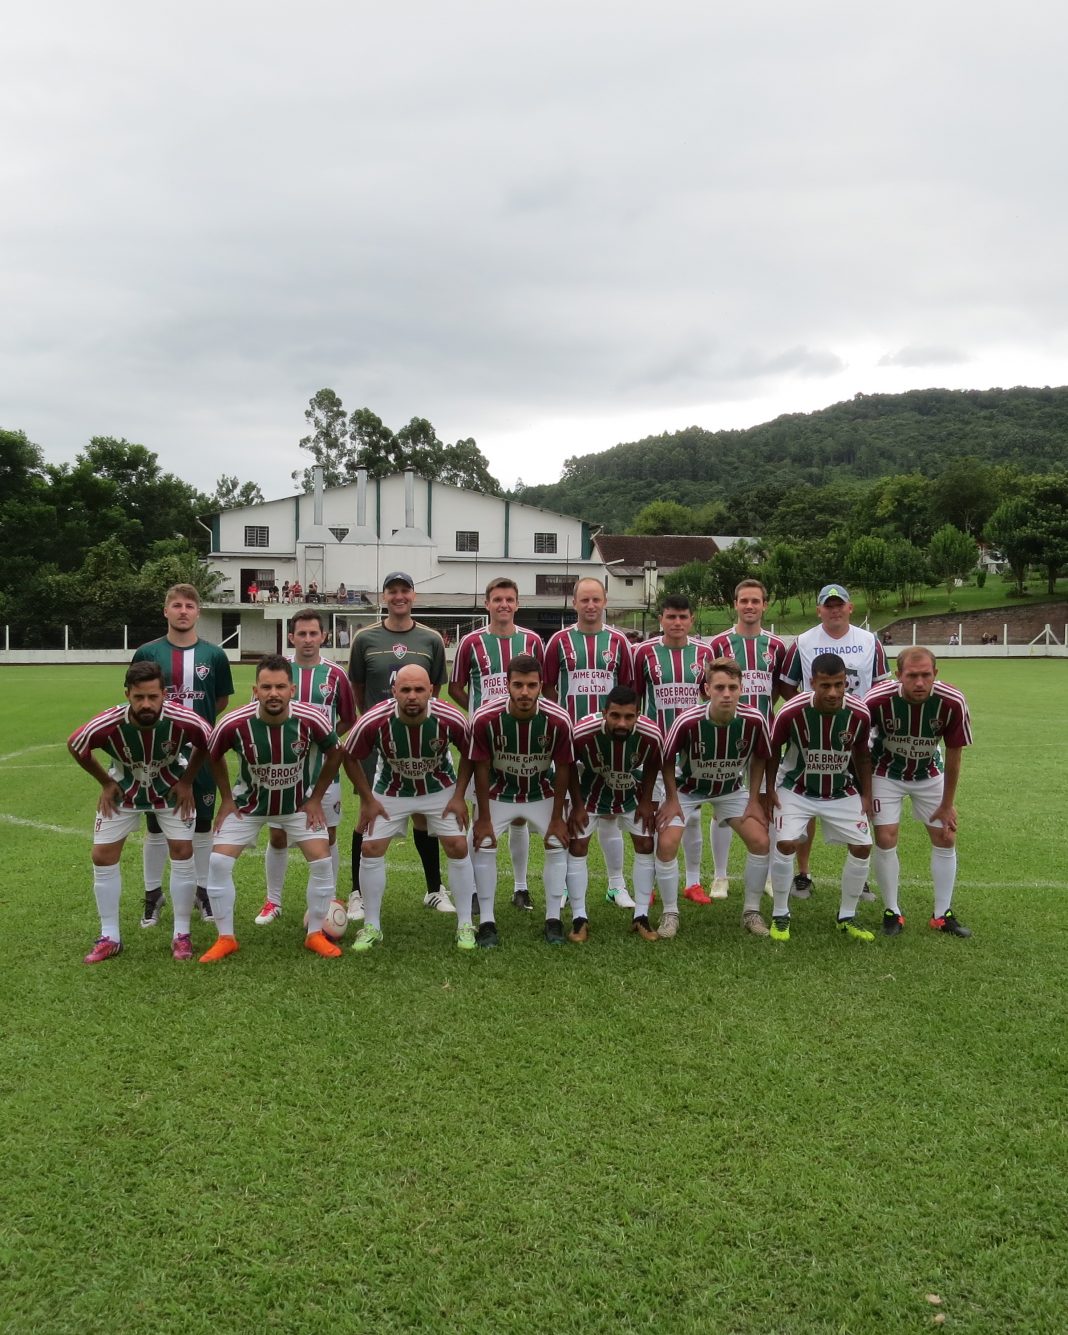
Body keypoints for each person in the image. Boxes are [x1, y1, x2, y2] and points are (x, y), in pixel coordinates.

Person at [200, 655, 344, 962]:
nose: (273, 693)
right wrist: (226, 798)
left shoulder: (312, 719)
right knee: (218, 862)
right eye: (266, 687)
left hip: (297, 805)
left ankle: (315, 934)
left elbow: (335, 752)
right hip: (248, 805)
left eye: (280, 687)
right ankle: (226, 938)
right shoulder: (234, 723)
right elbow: (213, 754)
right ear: (256, 690)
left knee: (322, 861)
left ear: (292, 689)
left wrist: (316, 798)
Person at [68, 662, 211, 963]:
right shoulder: (109, 722)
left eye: (152, 696)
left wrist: (187, 781)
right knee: (102, 855)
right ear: (127, 695)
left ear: (164, 695)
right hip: (123, 790)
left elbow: (208, 742)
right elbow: (76, 744)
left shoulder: (183, 719)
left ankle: (181, 934)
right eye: (138, 697)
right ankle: (110, 937)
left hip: (170, 790)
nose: (146, 704)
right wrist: (105, 782)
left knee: (183, 850)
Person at [333, 666, 476, 951]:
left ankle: (465, 923)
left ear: (431, 691)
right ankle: (372, 926)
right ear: (394, 691)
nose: (412, 696)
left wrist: (459, 795)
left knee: (458, 845)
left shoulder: (450, 717)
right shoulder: (375, 719)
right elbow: (349, 756)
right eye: (406, 690)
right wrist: (367, 799)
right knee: (370, 848)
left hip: (438, 787)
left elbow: (471, 753)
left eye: (419, 690)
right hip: (391, 788)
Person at [348, 572, 452, 920]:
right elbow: (358, 688)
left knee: (423, 813)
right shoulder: (365, 638)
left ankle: (435, 889)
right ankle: (357, 894)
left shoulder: (431, 639)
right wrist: (375, 724)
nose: (398, 596)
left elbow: (433, 691)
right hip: (379, 740)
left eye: (404, 590)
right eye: (392, 591)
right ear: (384, 596)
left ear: (413, 596)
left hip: (418, 742)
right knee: (368, 813)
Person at [131, 583, 234, 929]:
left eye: (189, 606)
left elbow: (220, 699)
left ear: (198, 612)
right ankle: (153, 894)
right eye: (176, 605)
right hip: (157, 752)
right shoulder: (147, 652)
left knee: (202, 822)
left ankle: (202, 892)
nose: (183, 611)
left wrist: (197, 725)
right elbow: (138, 696)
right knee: (155, 825)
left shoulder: (214, 655)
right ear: (166, 611)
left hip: (200, 753)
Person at [779, 583, 888, 901]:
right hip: (812, 738)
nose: (835, 609)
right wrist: (808, 714)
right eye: (828, 605)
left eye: (840, 604)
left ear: (850, 607)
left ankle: (860, 879)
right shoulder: (803, 642)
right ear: (819, 610)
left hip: (857, 736)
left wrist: (860, 718)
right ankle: (803, 873)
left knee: (860, 803)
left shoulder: (869, 641)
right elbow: (786, 684)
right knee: (806, 803)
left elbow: (880, 685)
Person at [655, 659, 772, 939]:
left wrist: (754, 799)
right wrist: (671, 799)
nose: (727, 694)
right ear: (707, 689)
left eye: (733, 687)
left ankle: (751, 912)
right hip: (687, 790)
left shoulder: (755, 720)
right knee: (667, 843)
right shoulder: (687, 721)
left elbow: (760, 759)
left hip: (730, 789)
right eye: (720, 687)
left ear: (741, 688)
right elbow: (666, 760)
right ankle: (670, 912)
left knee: (760, 841)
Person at [254, 608, 357, 926]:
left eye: (314, 633)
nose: (308, 639)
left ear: (323, 636)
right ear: (291, 637)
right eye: (302, 634)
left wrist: (323, 740)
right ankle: (273, 901)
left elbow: (348, 719)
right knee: (277, 835)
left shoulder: (336, 675)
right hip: (283, 769)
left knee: (328, 834)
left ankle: (330, 897)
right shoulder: (278, 673)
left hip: (324, 770)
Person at [449, 576, 545, 910]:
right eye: (497, 599)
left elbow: (541, 686)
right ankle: (476, 889)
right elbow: (456, 686)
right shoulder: (470, 642)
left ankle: (521, 887)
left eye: (509, 599)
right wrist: (480, 715)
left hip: (522, 740)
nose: (503, 605)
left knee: (519, 814)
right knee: (481, 810)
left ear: (517, 604)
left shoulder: (532, 641)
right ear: (487, 603)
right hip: (485, 741)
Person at [765, 652, 875, 943]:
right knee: (786, 843)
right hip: (796, 788)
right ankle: (780, 913)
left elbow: (863, 756)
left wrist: (867, 795)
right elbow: (773, 751)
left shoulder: (859, 713)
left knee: (863, 846)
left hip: (840, 790)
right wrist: (769, 790)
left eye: (839, 685)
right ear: (812, 683)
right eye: (825, 685)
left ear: (846, 682)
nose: (833, 692)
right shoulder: (791, 711)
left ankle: (847, 916)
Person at [865, 647, 973, 937]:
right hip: (885, 773)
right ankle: (892, 910)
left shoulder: (952, 701)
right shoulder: (877, 700)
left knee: (945, 837)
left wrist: (947, 804)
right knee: (885, 837)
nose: (920, 683)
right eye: (912, 676)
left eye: (926, 675)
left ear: (935, 673)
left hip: (929, 773)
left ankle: (942, 914)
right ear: (898, 675)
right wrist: (864, 791)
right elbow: (860, 747)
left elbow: (955, 754)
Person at [468, 654, 573, 947]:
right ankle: (486, 921)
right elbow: (480, 767)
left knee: (557, 842)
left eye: (531, 685)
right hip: (500, 791)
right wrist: (484, 818)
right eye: (518, 685)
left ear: (541, 685)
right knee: (483, 842)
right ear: (507, 685)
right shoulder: (485, 718)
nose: (524, 692)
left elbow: (564, 768)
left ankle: (553, 919)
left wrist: (557, 818)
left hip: (540, 791)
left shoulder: (558, 719)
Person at [543, 577, 635, 908]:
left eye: (596, 599)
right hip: (571, 741)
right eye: (585, 600)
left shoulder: (620, 642)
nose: (591, 605)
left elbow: (626, 690)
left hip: (610, 742)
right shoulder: (558, 641)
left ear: (605, 602)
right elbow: (549, 689)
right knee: (571, 811)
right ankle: (567, 886)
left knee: (609, 813)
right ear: (574, 603)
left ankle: (616, 885)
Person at [705, 579, 789, 901]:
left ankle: (766, 876)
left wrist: (761, 714)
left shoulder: (776, 646)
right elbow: (708, 688)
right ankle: (720, 876)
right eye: (744, 600)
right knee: (722, 807)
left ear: (764, 605)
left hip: (764, 736)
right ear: (735, 604)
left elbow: (779, 687)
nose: (750, 606)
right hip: (726, 736)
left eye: (755, 601)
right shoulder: (718, 644)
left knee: (766, 802)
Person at [632, 594, 715, 903]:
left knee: (692, 816)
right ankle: (651, 882)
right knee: (655, 816)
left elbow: (709, 699)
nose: (677, 622)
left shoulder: (705, 653)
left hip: (693, 749)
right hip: (656, 747)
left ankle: (693, 882)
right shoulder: (643, 652)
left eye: (682, 617)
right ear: (661, 620)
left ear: (691, 620)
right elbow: (636, 699)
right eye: (671, 617)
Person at [568, 686, 664, 943]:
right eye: (615, 716)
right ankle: (579, 918)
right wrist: (577, 805)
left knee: (645, 843)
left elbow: (654, 762)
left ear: (638, 715)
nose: (622, 723)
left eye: (629, 717)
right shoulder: (582, 732)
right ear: (604, 713)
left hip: (631, 794)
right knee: (577, 846)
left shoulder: (650, 734)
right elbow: (568, 764)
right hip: (591, 793)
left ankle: (641, 916)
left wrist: (647, 800)